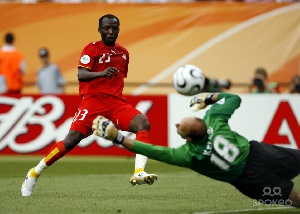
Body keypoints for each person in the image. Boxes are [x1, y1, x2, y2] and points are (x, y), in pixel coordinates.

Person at [21, 14, 157, 197]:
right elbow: (81, 75)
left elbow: (117, 79)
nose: (110, 31)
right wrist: (101, 74)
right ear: (99, 29)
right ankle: (34, 173)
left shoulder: (123, 53)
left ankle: (138, 172)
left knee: (143, 123)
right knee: (70, 141)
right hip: (93, 103)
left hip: (116, 103)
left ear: (118, 29)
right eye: (107, 28)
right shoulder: (91, 49)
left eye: (114, 28)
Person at [93, 92, 300, 207]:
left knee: (296, 199)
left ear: (189, 138)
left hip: (251, 181)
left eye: (180, 127)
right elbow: (234, 99)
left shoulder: (189, 155)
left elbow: (155, 151)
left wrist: (118, 137)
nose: (176, 126)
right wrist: (209, 99)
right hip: (262, 154)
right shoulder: (215, 119)